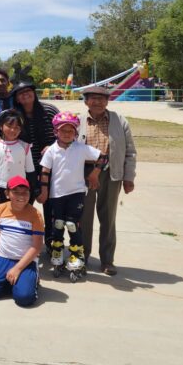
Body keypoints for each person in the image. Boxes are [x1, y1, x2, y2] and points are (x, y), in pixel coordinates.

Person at [78, 85, 137, 276]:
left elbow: (130, 151)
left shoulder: (119, 121)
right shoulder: (78, 121)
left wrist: (129, 177)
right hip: (83, 173)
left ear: (108, 101)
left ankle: (107, 260)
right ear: (86, 101)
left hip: (111, 173)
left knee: (108, 218)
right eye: (93, 98)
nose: (97, 102)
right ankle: (82, 257)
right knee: (83, 218)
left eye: (102, 98)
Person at [39, 112, 103, 277]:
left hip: (76, 193)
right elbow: (45, 172)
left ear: (76, 133)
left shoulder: (81, 148)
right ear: (56, 132)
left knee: (72, 225)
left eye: (70, 131)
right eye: (63, 130)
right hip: (56, 194)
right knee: (58, 224)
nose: (67, 134)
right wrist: (44, 192)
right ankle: (57, 252)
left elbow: (103, 157)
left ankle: (76, 255)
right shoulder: (51, 150)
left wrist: (95, 173)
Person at [0, 176, 44, 307]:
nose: (21, 196)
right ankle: (16, 284)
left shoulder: (35, 215)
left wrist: (17, 268)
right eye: (16, 192)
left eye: (25, 192)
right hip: (3, 258)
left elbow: (36, 246)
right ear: (7, 193)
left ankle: (30, 281)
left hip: (25, 261)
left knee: (24, 298)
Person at [12, 81, 58, 243]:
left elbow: (64, 133)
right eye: (20, 92)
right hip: (24, 169)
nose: (25, 94)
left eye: (28, 90)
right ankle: (21, 240)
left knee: (51, 206)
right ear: (16, 98)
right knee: (23, 203)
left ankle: (53, 242)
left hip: (50, 166)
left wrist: (52, 147)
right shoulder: (15, 115)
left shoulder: (49, 111)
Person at [0, 109, 36, 213]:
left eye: (17, 127)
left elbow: (30, 170)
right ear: (0, 126)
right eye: (9, 126)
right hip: (1, 188)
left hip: (20, 189)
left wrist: (34, 188)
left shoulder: (25, 146)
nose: (13, 130)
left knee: (19, 218)